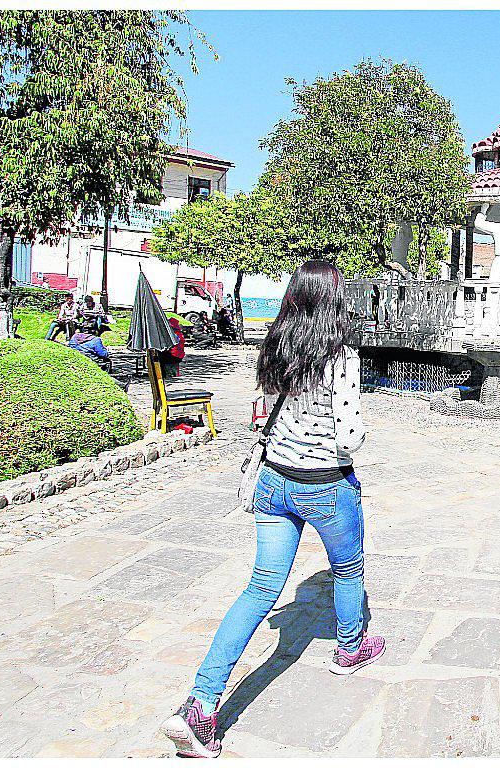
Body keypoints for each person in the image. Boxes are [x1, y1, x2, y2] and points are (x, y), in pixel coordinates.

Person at [160, 261, 379, 759]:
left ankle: (201, 703)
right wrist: (358, 436)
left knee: (260, 589)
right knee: (348, 571)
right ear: (332, 298)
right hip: (325, 483)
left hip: (274, 481)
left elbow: (261, 410)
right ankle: (349, 648)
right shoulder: (341, 355)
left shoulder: (275, 346)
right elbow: (348, 436)